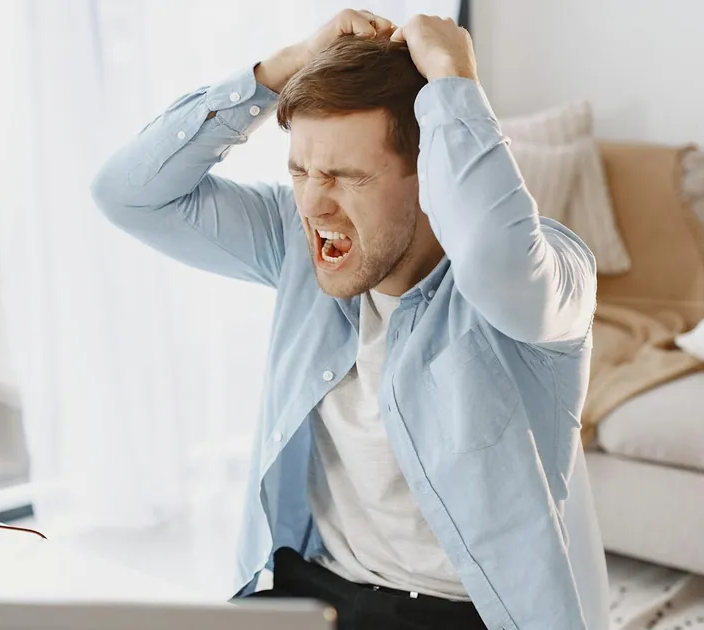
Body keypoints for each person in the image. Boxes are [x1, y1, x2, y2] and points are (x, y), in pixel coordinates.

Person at [91, 9, 608, 630]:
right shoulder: (292, 241)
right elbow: (127, 192)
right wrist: (277, 70)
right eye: (301, 171)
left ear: (430, 178)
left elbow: (497, 259)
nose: (312, 203)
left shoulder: (548, 274)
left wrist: (453, 79)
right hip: (314, 585)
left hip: (466, 612)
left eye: (346, 177)